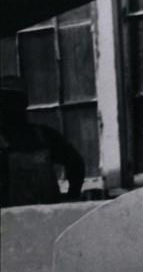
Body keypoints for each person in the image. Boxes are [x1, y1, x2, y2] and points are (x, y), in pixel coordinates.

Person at [0, 75, 85, 207]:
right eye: (4, 102)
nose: (9, 108)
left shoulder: (45, 137)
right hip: (9, 221)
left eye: (14, 101)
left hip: (48, 219)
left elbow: (75, 163)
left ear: (24, 104)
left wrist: (72, 197)